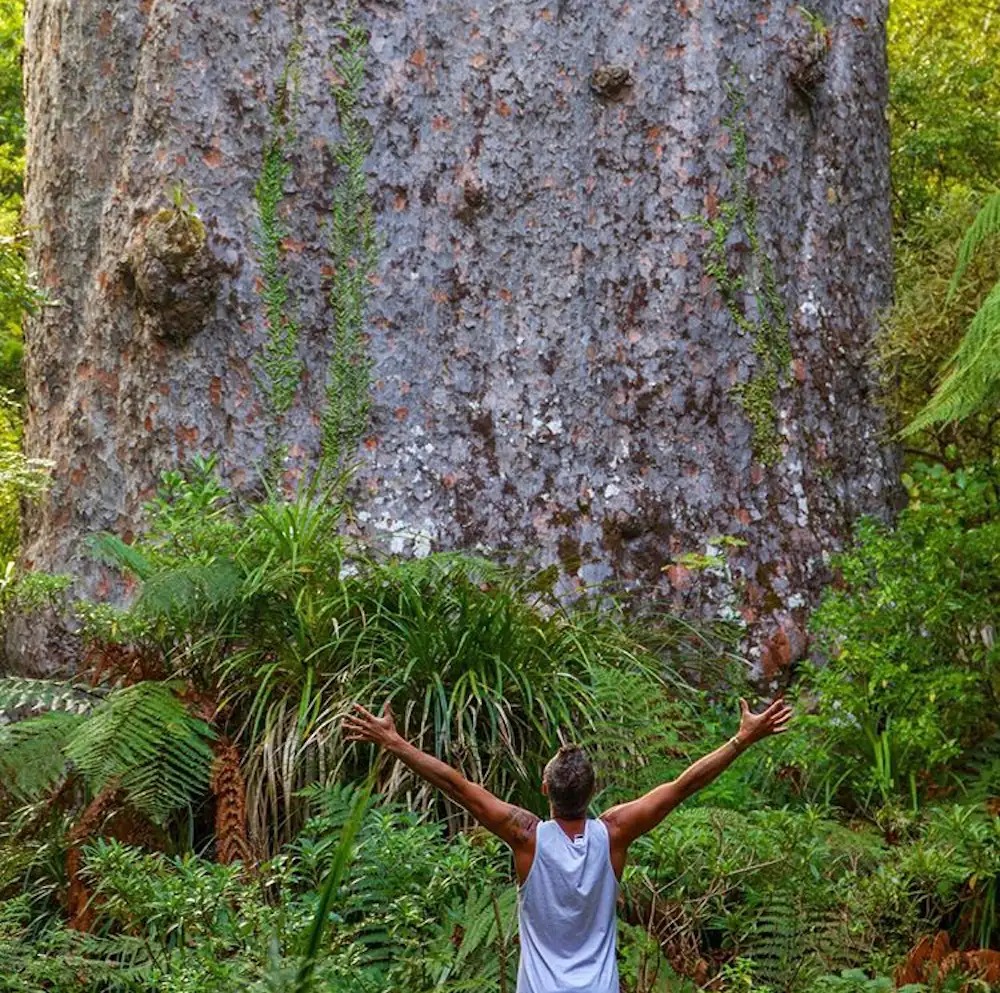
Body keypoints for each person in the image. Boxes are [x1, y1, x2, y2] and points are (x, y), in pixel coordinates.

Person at [342, 695, 793, 993]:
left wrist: (393, 741)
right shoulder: (614, 833)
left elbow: (457, 786)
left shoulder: (526, 837)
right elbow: (682, 786)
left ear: (545, 789)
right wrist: (743, 738)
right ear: (593, 792)